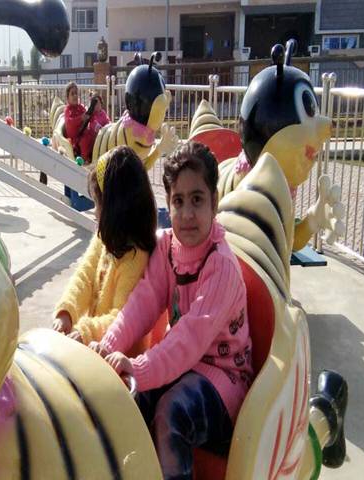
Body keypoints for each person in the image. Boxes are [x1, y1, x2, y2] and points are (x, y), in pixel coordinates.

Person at [90, 141, 253, 479]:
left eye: (197, 199)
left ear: (214, 202)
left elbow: (188, 340)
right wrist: (107, 346)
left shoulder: (220, 265)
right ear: (168, 203)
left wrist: (137, 367)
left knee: (170, 413)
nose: (188, 213)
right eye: (178, 201)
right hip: (183, 368)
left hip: (223, 378)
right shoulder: (166, 247)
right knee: (126, 402)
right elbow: (143, 303)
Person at [52, 146, 157, 347]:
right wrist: (67, 311)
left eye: (98, 204)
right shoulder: (105, 237)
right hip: (95, 348)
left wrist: (86, 331)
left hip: (121, 358)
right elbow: (85, 276)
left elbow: (122, 317)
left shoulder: (136, 257)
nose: (94, 212)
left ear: (115, 208)